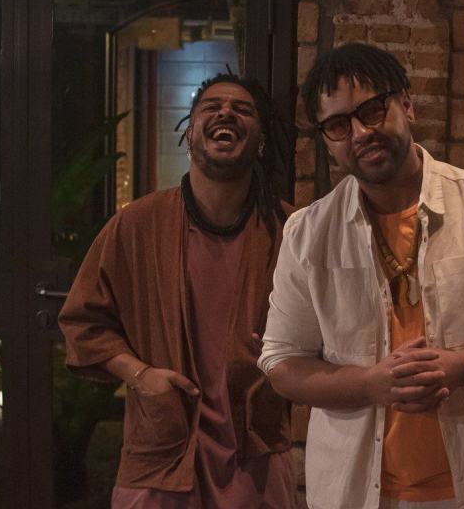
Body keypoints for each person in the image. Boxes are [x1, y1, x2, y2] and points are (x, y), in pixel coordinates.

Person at [258, 43, 464, 509]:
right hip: (356, 491)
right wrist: (369, 384)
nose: (361, 133)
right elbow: (282, 363)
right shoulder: (308, 233)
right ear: (326, 140)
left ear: (406, 104)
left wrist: (462, 367)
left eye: (372, 110)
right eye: (338, 125)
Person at [59, 73, 297, 508]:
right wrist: (141, 375)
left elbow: (328, 333)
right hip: (159, 463)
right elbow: (82, 322)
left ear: (261, 142)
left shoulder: (290, 230)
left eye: (242, 109)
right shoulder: (137, 225)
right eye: (211, 106)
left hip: (257, 464)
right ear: (189, 133)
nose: (226, 112)